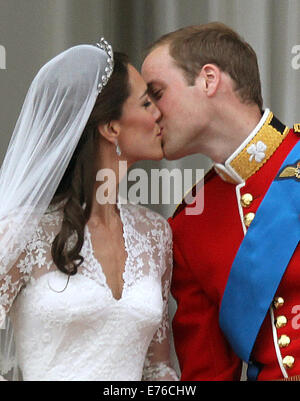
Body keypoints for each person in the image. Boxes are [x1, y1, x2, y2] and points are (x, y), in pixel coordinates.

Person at [0, 38, 178, 381]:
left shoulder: (156, 235)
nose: (160, 113)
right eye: (146, 103)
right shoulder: (20, 232)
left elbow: (157, 368)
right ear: (111, 127)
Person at [141, 22, 300, 381]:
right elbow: (207, 372)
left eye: (157, 92)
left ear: (209, 80)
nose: (150, 113)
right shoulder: (188, 225)